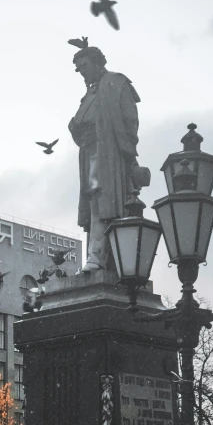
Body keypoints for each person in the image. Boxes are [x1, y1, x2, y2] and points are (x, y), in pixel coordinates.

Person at [68, 46, 147, 273]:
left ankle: (100, 257)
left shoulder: (115, 83)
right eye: (78, 68)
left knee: (105, 202)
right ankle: (98, 256)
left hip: (108, 153)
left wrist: (125, 151)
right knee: (95, 203)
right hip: (90, 152)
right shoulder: (90, 93)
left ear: (97, 63)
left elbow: (130, 120)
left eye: (84, 66)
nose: (81, 71)